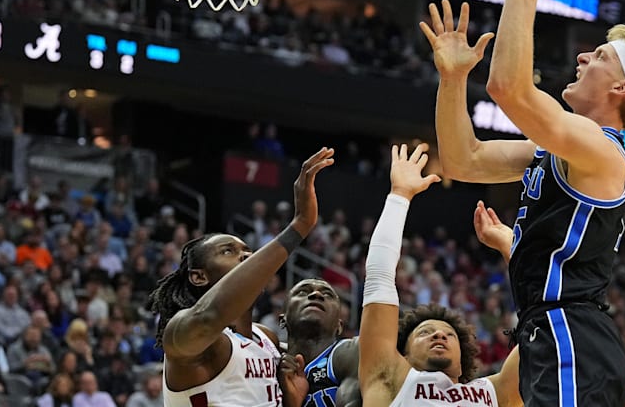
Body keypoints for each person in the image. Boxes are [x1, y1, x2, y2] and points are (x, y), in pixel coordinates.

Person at [421, 0, 625, 407]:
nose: (584, 56)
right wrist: (453, 81)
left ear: (622, 88)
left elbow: (509, 89)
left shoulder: (603, 154)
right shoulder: (557, 150)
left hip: (571, 337)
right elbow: (462, 160)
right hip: (552, 334)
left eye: (601, 56)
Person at [148, 148, 333, 407]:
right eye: (228, 251)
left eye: (249, 251)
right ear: (199, 277)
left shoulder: (267, 339)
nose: (248, 257)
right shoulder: (182, 334)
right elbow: (208, 317)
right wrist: (300, 225)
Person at [346, 143, 521, 407]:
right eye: (425, 332)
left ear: (463, 361)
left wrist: (513, 255)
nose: (439, 336)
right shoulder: (390, 377)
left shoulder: (494, 394)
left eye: (449, 335)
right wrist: (399, 195)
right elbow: (379, 277)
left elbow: (544, 325)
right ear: (402, 354)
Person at [279, 279, 360, 407]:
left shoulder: (349, 353)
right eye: (302, 292)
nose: (316, 295)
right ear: (283, 319)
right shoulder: (268, 358)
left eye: (328, 295)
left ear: (339, 325)